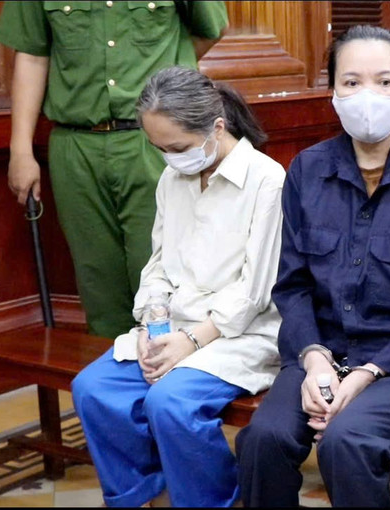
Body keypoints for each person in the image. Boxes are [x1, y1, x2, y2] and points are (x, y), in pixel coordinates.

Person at [234, 25, 390, 507]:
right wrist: (313, 359)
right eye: (351, 82)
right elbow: (292, 285)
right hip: (324, 354)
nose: (368, 95)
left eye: (385, 81)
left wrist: (369, 372)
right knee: (264, 440)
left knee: (347, 441)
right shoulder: (307, 169)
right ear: (332, 91)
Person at [71, 67, 284, 507]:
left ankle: (212, 501)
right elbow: (159, 264)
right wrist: (151, 323)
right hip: (175, 327)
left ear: (217, 128)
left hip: (240, 334)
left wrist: (191, 340)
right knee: (93, 389)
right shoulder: (173, 179)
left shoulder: (268, 180)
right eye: (160, 149)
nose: (170, 159)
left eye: (178, 148)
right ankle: (148, 495)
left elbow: (254, 291)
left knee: (170, 403)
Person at [0, 1, 228, 338]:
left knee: (167, 273)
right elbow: (31, 55)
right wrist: (20, 149)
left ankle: (174, 364)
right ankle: (111, 364)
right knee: (97, 280)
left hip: (154, 143)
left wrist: (163, 74)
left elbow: (211, 29)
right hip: (77, 144)